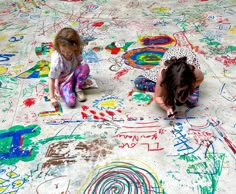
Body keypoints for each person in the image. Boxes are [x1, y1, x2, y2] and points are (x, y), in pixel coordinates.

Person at [134, 47, 204, 118]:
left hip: (186, 69)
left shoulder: (193, 71)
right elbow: (158, 97)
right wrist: (167, 108)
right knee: (139, 82)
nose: (177, 93)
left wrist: (190, 88)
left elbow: (200, 79)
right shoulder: (163, 73)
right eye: (175, 90)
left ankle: (179, 90)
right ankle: (163, 88)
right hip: (169, 64)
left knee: (192, 102)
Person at [48, 27, 90, 108]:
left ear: (75, 47)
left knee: (85, 67)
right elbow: (51, 78)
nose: (66, 54)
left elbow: (79, 64)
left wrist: (83, 79)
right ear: (58, 46)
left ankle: (78, 88)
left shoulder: (76, 51)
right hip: (64, 81)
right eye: (63, 51)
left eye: (69, 52)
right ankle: (70, 88)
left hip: (73, 74)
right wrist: (52, 97)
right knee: (71, 103)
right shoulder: (57, 60)